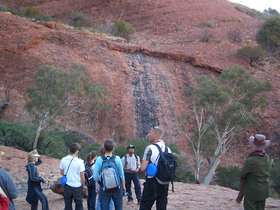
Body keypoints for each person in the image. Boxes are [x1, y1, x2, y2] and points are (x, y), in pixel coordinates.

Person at [236, 134, 274, 210]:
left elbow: (242, 174)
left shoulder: (251, 160)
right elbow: (271, 166)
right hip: (264, 191)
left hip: (252, 192)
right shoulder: (269, 158)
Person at [140, 126, 171, 210]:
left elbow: (142, 168)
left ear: (155, 135)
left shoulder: (150, 148)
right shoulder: (168, 149)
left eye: (150, 133)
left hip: (152, 182)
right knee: (161, 207)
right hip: (164, 183)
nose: (148, 135)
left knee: (145, 206)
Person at [93, 139, 125, 210]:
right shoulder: (117, 158)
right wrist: (123, 187)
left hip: (105, 188)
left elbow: (95, 176)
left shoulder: (99, 159)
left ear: (104, 147)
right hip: (117, 188)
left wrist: (100, 183)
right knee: (119, 207)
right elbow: (121, 175)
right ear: (113, 148)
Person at [60, 142, 85, 210]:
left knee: (68, 204)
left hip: (67, 185)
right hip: (77, 186)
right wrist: (83, 185)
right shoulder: (80, 162)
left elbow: (62, 172)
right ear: (76, 150)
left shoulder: (63, 159)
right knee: (79, 205)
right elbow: (82, 176)